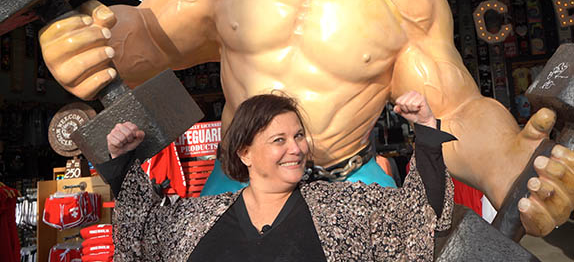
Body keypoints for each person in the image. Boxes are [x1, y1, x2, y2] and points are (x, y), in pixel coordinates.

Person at [38, 0, 574, 236]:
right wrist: (94, 42)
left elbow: (453, 109)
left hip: (347, 184)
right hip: (239, 181)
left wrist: (506, 160)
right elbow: (155, 36)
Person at [100, 91, 455, 261]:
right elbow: (140, 232)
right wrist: (121, 159)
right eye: (279, 140)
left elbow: (419, 215)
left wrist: (425, 129)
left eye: (299, 136)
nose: (296, 149)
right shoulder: (196, 220)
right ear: (245, 153)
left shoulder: (343, 210)